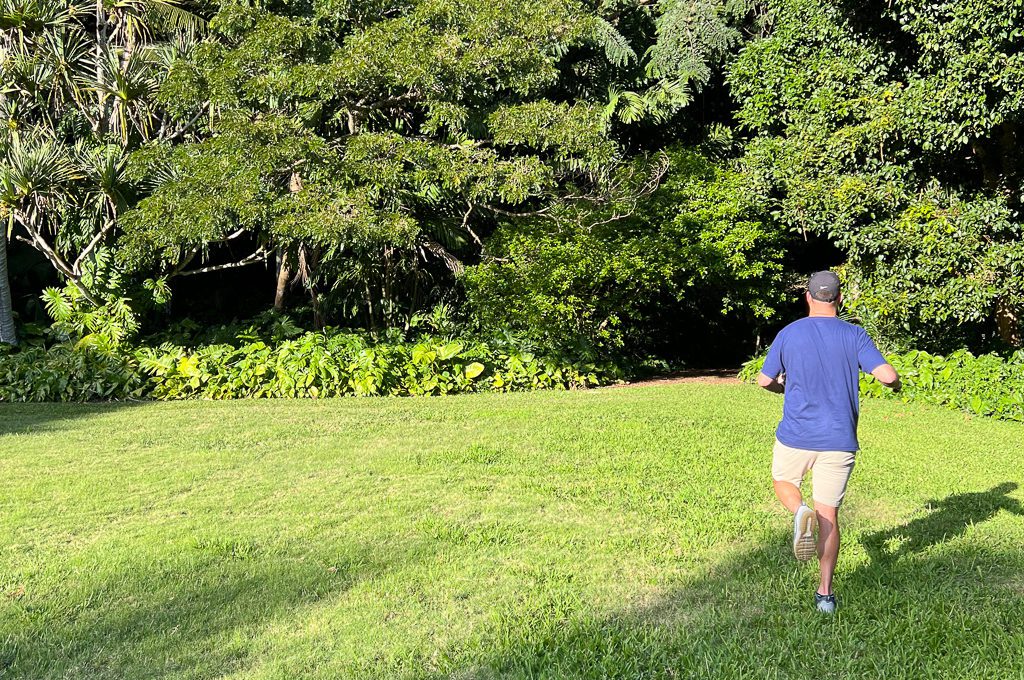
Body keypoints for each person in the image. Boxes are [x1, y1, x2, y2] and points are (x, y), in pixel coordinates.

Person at [756, 271, 901, 614]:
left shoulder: (789, 333)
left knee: (784, 482)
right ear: (839, 300)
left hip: (796, 435)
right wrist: (894, 385)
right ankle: (825, 595)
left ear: (807, 297)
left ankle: (798, 511)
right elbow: (888, 375)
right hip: (839, 439)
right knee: (829, 516)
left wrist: (782, 387)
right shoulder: (854, 334)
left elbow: (764, 380)